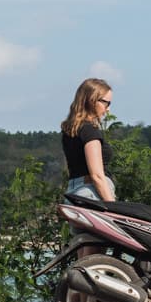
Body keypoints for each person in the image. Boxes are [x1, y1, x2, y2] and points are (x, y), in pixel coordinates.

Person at [61, 78, 116, 256]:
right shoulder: (90, 131)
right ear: (93, 100)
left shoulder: (71, 130)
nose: (108, 109)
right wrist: (113, 208)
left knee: (84, 259)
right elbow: (97, 175)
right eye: (106, 103)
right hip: (91, 194)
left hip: (75, 194)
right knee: (95, 259)